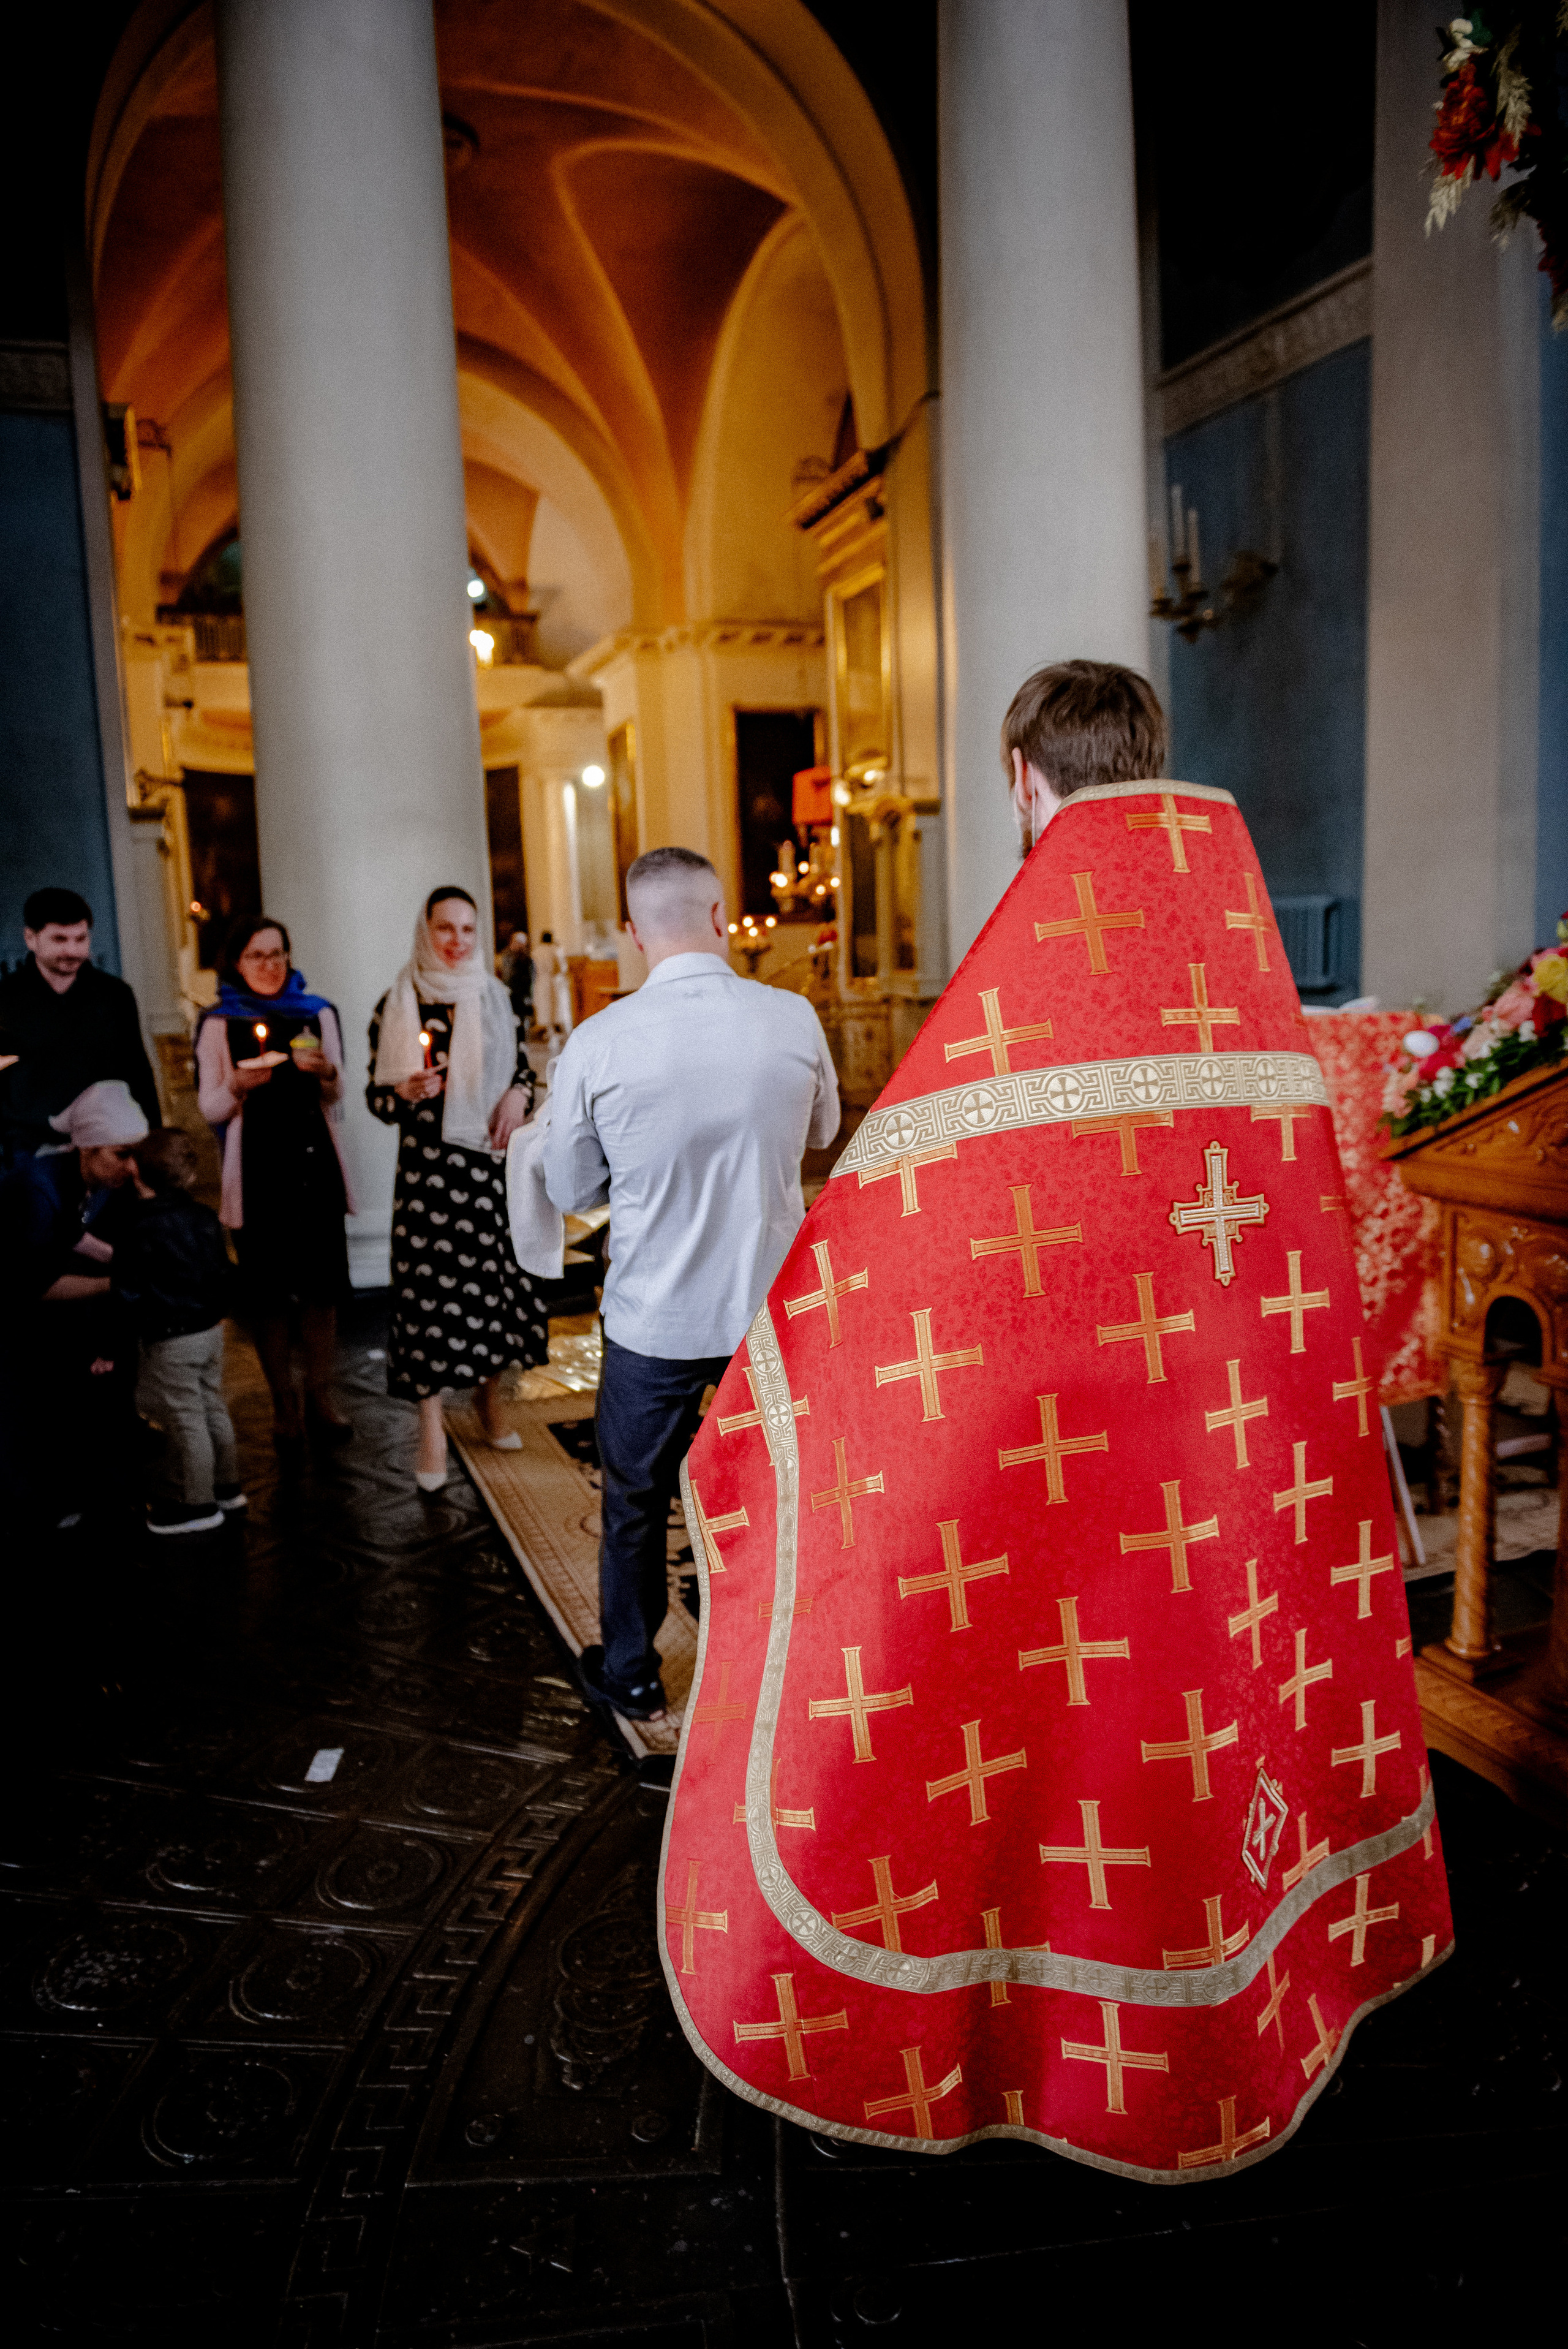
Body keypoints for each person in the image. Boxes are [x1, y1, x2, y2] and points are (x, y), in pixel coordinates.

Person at [658, 662, 1452, 2179]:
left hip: (1072, 1462)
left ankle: (1041, 2031)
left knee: (1078, 1734)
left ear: (1025, 779)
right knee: (1217, 1710)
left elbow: (907, 1248)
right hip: (1233, 1454)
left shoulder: (1031, 985)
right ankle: (1267, 1986)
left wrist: (766, 1397)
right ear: (1148, 763)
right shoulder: (1244, 969)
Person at [544, 845, 840, 1723]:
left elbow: (571, 1190)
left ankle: (632, 1670)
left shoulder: (598, 1040)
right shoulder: (792, 1017)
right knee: (787, 1491)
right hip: (770, 1310)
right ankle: (796, 1668)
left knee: (635, 1498)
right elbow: (820, 1134)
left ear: (633, 934)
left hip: (655, 1316)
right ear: (721, 916)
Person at [369, 887, 547, 1490]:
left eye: (468, 930)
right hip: (427, 1178)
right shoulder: (396, 1006)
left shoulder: (499, 1000)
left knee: (491, 1288)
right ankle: (429, 1426)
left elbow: (523, 1071)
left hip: (486, 1171)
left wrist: (518, 1094)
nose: (456, 942)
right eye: (444, 929)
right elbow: (376, 1097)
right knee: (427, 1297)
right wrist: (402, 1092)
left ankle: (489, 1401)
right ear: (426, 932)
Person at [195, 916, 353, 1446]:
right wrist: (238, 1085)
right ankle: (284, 1405)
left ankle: (321, 1400)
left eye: (279, 954)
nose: (271, 965)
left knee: (320, 1291)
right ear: (236, 963)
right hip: (259, 1171)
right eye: (257, 956)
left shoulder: (318, 1012)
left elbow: (339, 1093)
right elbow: (209, 1105)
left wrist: (327, 1073)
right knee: (269, 1296)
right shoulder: (218, 1022)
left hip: (314, 1167)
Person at [0, 1079, 146, 1525]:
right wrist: (119, 1279)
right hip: (17, 1314)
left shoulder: (95, 1178)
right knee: (36, 1412)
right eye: (122, 1154)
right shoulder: (36, 1187)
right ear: (87, 1149)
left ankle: (102, 1494)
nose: (133, 1167)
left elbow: (73, 1233)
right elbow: (35, 1286)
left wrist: (115, 1258)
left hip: (57, 1306)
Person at [117, 1127, 243, 1536]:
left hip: (170, 1336)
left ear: (135, 1169)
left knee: (186, 1418)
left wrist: (111, 1344)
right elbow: (224, 1273)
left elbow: (127, 1291)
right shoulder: (204, 1216)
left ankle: (196, 1503)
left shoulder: (137, 1226)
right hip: (209, 1330)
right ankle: (227, 1487)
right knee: (212, 1405)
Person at [0, 887, 159, 1164]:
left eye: (80, 939)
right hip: (33, 1147)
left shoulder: (115, 994)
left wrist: (154, 1139)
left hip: (108, 1145)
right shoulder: (5, 999)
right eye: (60, 939)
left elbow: (138, 1070)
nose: (72, 951)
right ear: (31, 938)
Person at [500, 929, 534, 1028]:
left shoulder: (527, 958)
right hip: (509, 990)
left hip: (522, 992)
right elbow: (506, 973)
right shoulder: (507, 955)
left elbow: (531, 976)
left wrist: (529, 994)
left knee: (522, 1018)